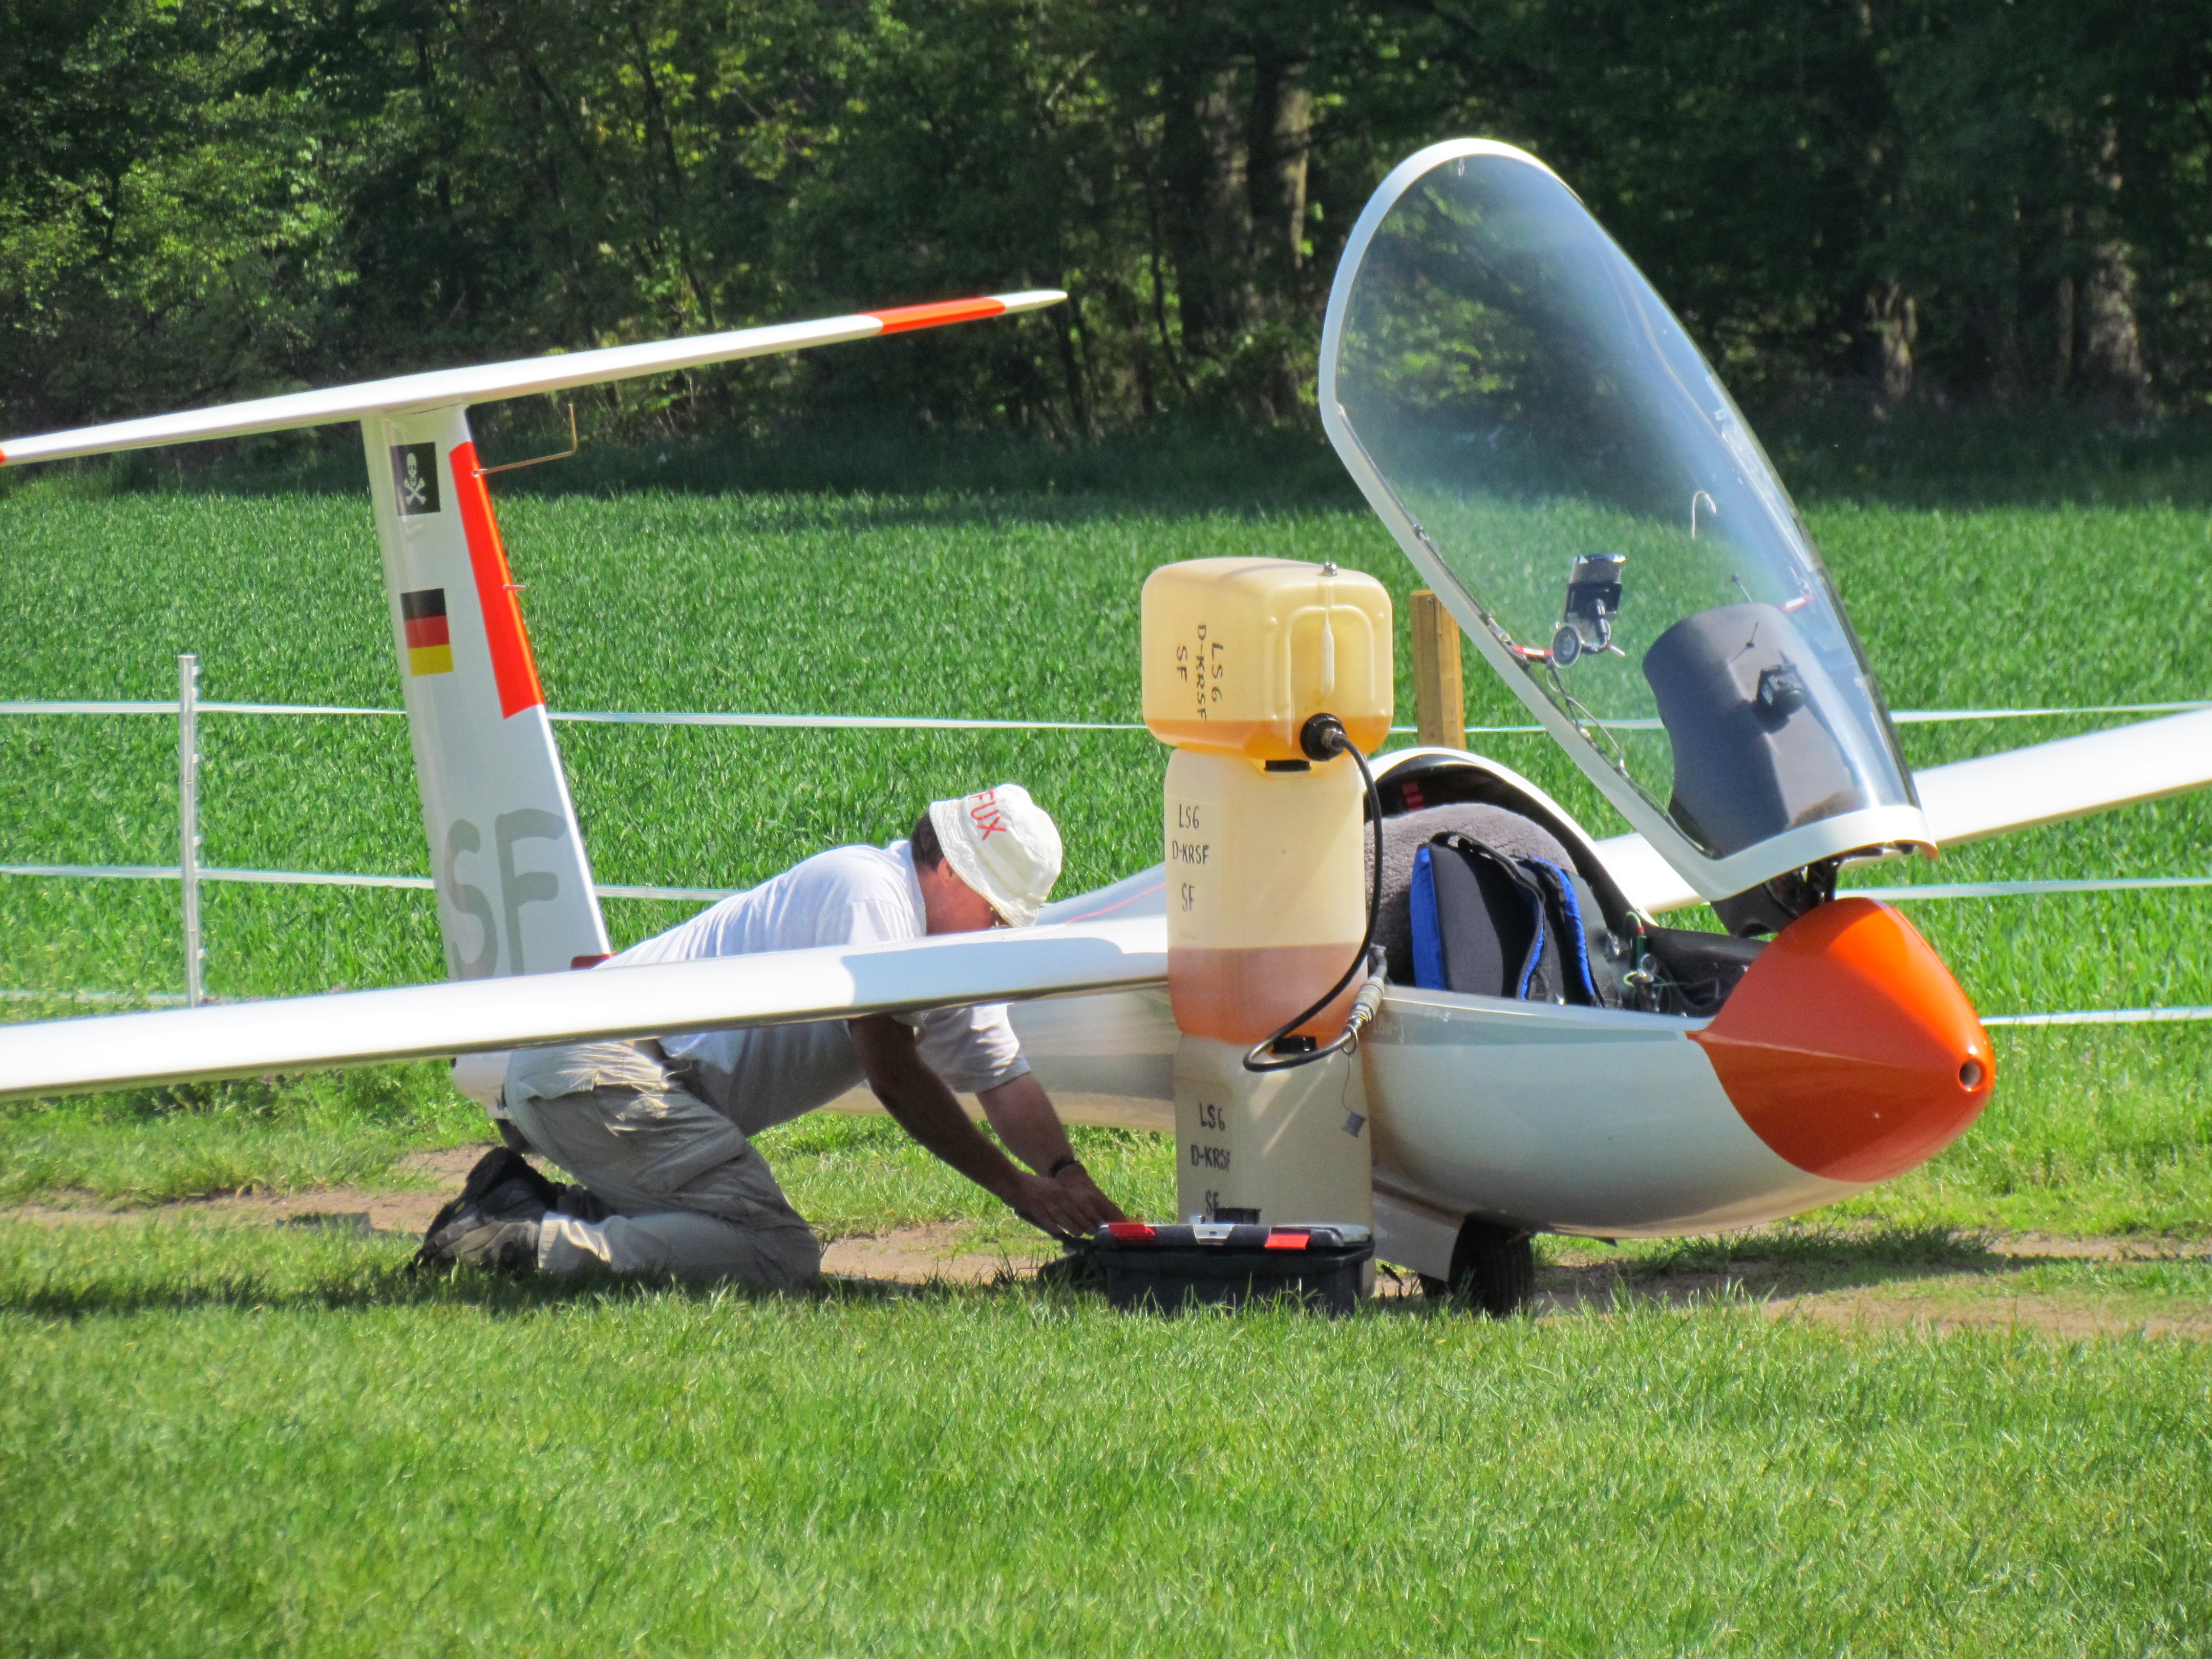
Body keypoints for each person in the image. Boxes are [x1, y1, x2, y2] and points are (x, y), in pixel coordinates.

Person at [415, 783, 1126, 1286]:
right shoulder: (871, 893)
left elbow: (1001, 1077)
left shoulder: (941, 947)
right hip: (601, 1063)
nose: (998, 931)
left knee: (723, 1229)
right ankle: (523, 1246)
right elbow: (893, 1074)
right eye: (996, 912)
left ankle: (520, 1205)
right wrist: (1013, 1186)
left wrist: (1066, 1176)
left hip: (603, 1071)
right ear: (948, 869)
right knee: (776, 1250)